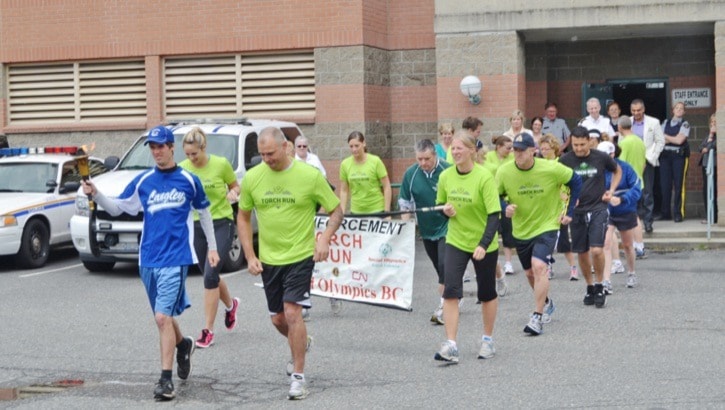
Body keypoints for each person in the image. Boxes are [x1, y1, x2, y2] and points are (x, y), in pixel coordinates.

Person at [82, 125, 219, 401]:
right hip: (148, 259)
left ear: (172, 148)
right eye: (153, 147)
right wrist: (95, 193)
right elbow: (120, 207)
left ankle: (165, 381)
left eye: (161, 146)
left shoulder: (189, 181)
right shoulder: (144, 182)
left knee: (161, 317)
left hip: (176, 257)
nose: (157, 152)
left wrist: (212, 248)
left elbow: (204, 213)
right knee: (163, 317)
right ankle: (183, 346)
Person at [237, 126, 343, 400]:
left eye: (270, 153)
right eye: (261, 155)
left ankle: (298, 377)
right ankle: (301, 342)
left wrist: (324, 239)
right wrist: (250, 255)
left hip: (300, 256)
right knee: (278, 319)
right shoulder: (253, 178)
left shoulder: (309, 176)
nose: (267, 159)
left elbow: (336, 210)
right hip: (270, 260)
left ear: (286, 147)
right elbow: (244, 217)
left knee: (293, 313)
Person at [497, 133, 581, 335]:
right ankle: (546, 302)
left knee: (539, 266)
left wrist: (568, 212)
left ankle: (537, 316)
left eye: (521, 150)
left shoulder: (551, 168)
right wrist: (504, 206)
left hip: (547, 225)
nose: (516, 154)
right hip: (522, 228)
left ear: (532, 150)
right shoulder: (504, 172)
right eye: (514, 150)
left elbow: (576, 181)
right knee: (529, 273)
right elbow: (495, 195)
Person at [433, 130, 501, 363]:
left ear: (472, 151)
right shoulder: (446, 177)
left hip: (483, 241)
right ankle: (451, 344)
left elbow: (494, 215)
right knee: (451, 290)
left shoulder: (484, 177)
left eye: (460, 148)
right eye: (453, 148)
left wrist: (483, 244)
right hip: (456, 239)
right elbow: (441, 207)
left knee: (486, 292)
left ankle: (488, 340)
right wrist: (445, 210)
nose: (455, 151)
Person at [179, 127, 240, 349]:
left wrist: (234, 193)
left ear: (203, 148)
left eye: (194, 153)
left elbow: (235, 186)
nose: (191, 158)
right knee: (209, 275)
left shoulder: (221, 164)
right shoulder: (183, 169)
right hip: (197, 225)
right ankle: (231, 305)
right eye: (187, 154)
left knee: (210, 275)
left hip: (221, 222)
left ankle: (208, 331)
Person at [559, 126, 621, 309]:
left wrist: (611, 190)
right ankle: (590, 286)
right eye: (575, 145)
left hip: (598, 208)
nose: (578, 149)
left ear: (589, 141)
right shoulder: (565, 160)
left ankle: (600, 285)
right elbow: (555, 182)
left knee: (596, 250)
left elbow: (617, 170)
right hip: (576, 211)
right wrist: (563, 197)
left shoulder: (600, 157)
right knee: (582, 252)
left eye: (582, 144)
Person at [338, 131, 392, 314]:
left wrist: (386, 211)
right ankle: (363, 282)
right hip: (358, 211)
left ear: (364, 144)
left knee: (377, 247)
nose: (354, 149)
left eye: (357, 146)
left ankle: (380, 282)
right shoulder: (346, 164)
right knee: (360, 248)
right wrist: (342, 212)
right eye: (351, 146)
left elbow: (386, 185)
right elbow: (344, 190)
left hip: (375, 208)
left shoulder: (375, 161)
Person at [398, 139, 451, 324]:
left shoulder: (447, 170)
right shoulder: (411, 174)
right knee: (439, 266)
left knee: (445, 265)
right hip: (427, 229)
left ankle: (444, 305)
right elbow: (405, 204)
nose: (423, 163)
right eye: (419, 159)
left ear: (434, 155)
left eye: (426, 159)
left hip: (448, 226)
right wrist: (406, 229)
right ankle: (453, 295)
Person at [597, 141, 642, 293]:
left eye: (607, 156)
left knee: (628, 245)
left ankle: (631, 273)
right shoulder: (597, 170)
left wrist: (621, 199)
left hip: (625, 210)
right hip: (606, 212)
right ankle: (606, 280)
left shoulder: (626, 168)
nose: (604, 159)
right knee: (606, 244)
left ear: (613, 154)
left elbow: (637, 188)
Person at [539, 134, 579, 281]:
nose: (544, 151)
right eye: (542, 148)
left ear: (554, 148)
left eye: (547, 148)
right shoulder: (539, 164)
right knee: (545, 240)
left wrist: (568, 197)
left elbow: (570, 181)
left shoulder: (560, 163)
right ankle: (548, 266)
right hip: (545, 206)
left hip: (560, 206)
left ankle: (573, 267)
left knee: (563, 241)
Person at [482, 135, 515, 289]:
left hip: (505, 198)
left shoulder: (512, 158)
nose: (511, 151)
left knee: (507, 232)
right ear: (499, 147)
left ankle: (508, 263)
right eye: (508, 148)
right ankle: (491, 267)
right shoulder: (488, 157)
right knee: (491, 233)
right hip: (490, 197)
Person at [616, 116, 648, 268]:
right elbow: (643, 163)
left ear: (620, 128)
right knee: (637, 216)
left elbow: (619, 165)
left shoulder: (623, 143)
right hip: (639, 182)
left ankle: (638, 246)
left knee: (632, 217)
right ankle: (639, 245)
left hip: (627, 185)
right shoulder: (639, 141)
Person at [630, 98, 665, 235]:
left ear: (643, 109)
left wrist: (651, 157)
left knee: (647, 193)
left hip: (648, 161)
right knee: (634, 192)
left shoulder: (653, 122)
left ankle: (648, 222)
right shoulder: (627, 121)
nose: (636, 113)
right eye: (633, 110)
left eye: (638, 110)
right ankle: (636, 222)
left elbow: (660, 141)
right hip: (632, 162)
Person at [659, 101, 691, 222]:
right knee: (665, 185)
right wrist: (672, 138)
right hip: (665, 156)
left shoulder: (685, 124)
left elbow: (679, 141)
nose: (678, 110)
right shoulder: (665, 122)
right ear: (673, 110)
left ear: (684, 112)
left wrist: (666, 137)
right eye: (676, 108)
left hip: (679, 157)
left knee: (679, 186)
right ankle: (665, 213)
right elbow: (660, 140)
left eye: (681, 108)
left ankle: (678, 213)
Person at [699, 113, 718, 224]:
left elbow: (712, 147)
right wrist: (710, 137)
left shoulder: (718, 137)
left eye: (715, 123)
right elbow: (701, 147)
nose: (713, 125)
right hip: (706, 165)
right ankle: (709, 215)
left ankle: (714, 216)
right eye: (711, 123)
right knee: (706, 190)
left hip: (714, 166)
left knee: (713, 190)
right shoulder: (709, 136)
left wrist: (708, 145)